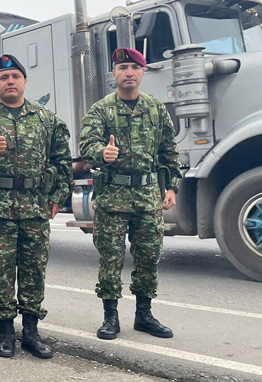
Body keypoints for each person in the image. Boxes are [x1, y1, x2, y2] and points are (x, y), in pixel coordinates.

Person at [0, 54, 72, 359]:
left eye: (15, 76)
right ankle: (6, 333)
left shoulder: (46, 119)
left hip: (35, 207)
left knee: (34, 270)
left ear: (24, 81)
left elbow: (62, 161)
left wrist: (58, 196)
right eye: (3, 77)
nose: (10, 81)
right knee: (2, 271)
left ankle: (31, 333)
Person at [79, 47, 181, 341]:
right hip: (113, 197)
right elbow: (88, 145)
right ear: (114, 74)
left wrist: (171, 185)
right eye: (122, 68)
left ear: (142, 73)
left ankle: (144, 315)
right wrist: (103, 153)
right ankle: (111, 317)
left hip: (148, 197)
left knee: (149, 257)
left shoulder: (155, 109)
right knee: (111, 259)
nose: (128, 73)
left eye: (134, 68)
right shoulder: (101, 110)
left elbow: (169, 152)